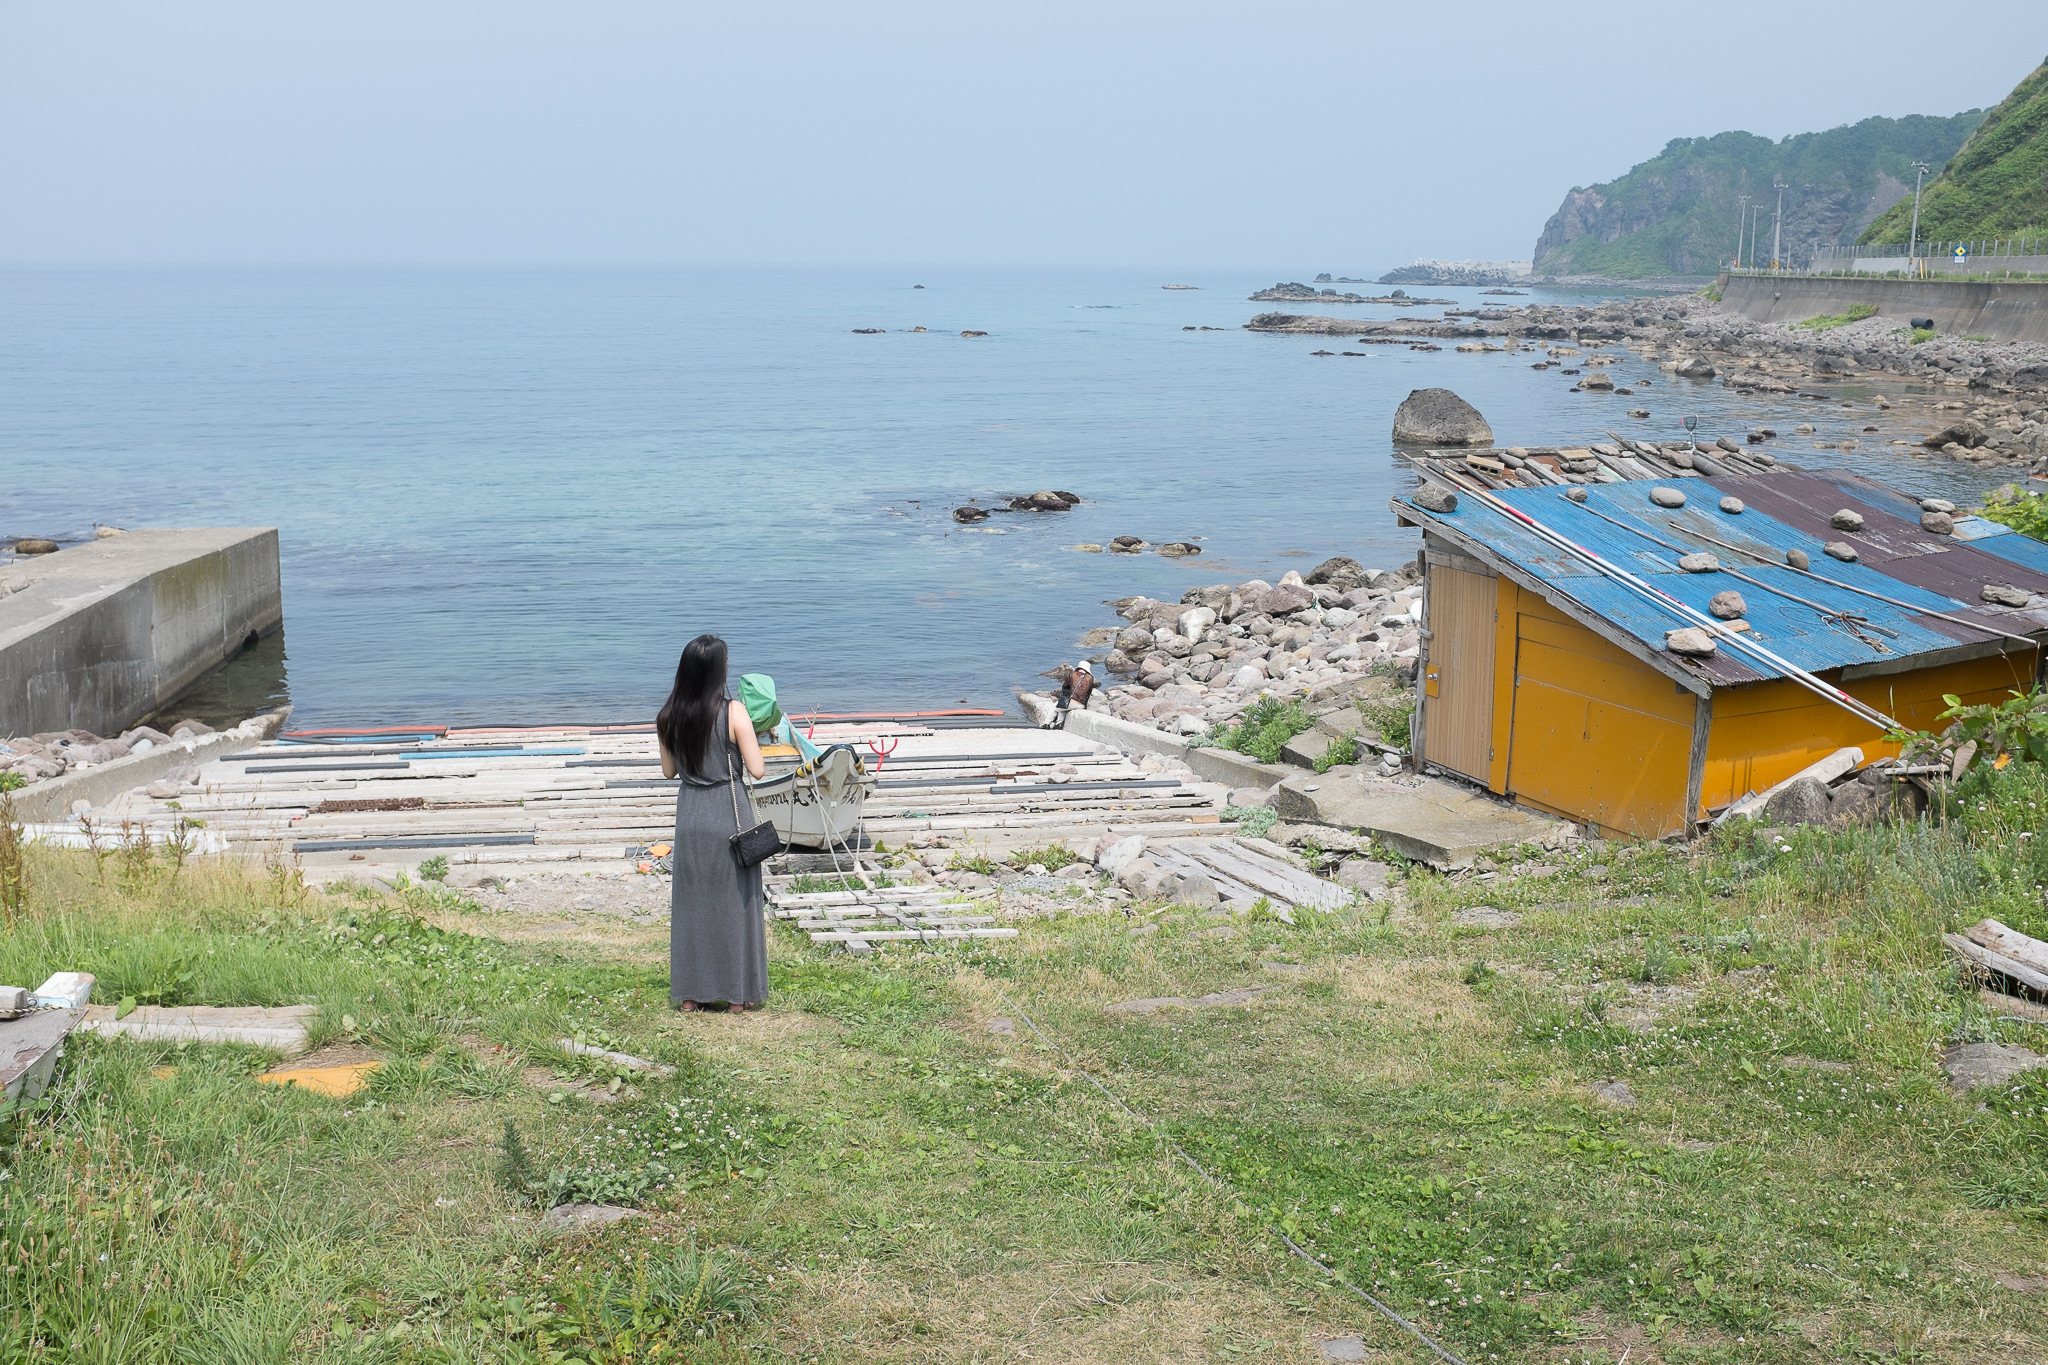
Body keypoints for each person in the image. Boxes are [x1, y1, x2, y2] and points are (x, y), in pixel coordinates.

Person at [656, 635, 768, 1012]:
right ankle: (738, 995)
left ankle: (691, 995)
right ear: (718, 670)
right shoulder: (733, 712)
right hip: (729, 809)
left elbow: (669, 772)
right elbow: (757, 768)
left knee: (693, 905)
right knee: (738, 903)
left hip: (691, 814)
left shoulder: (668, 715)